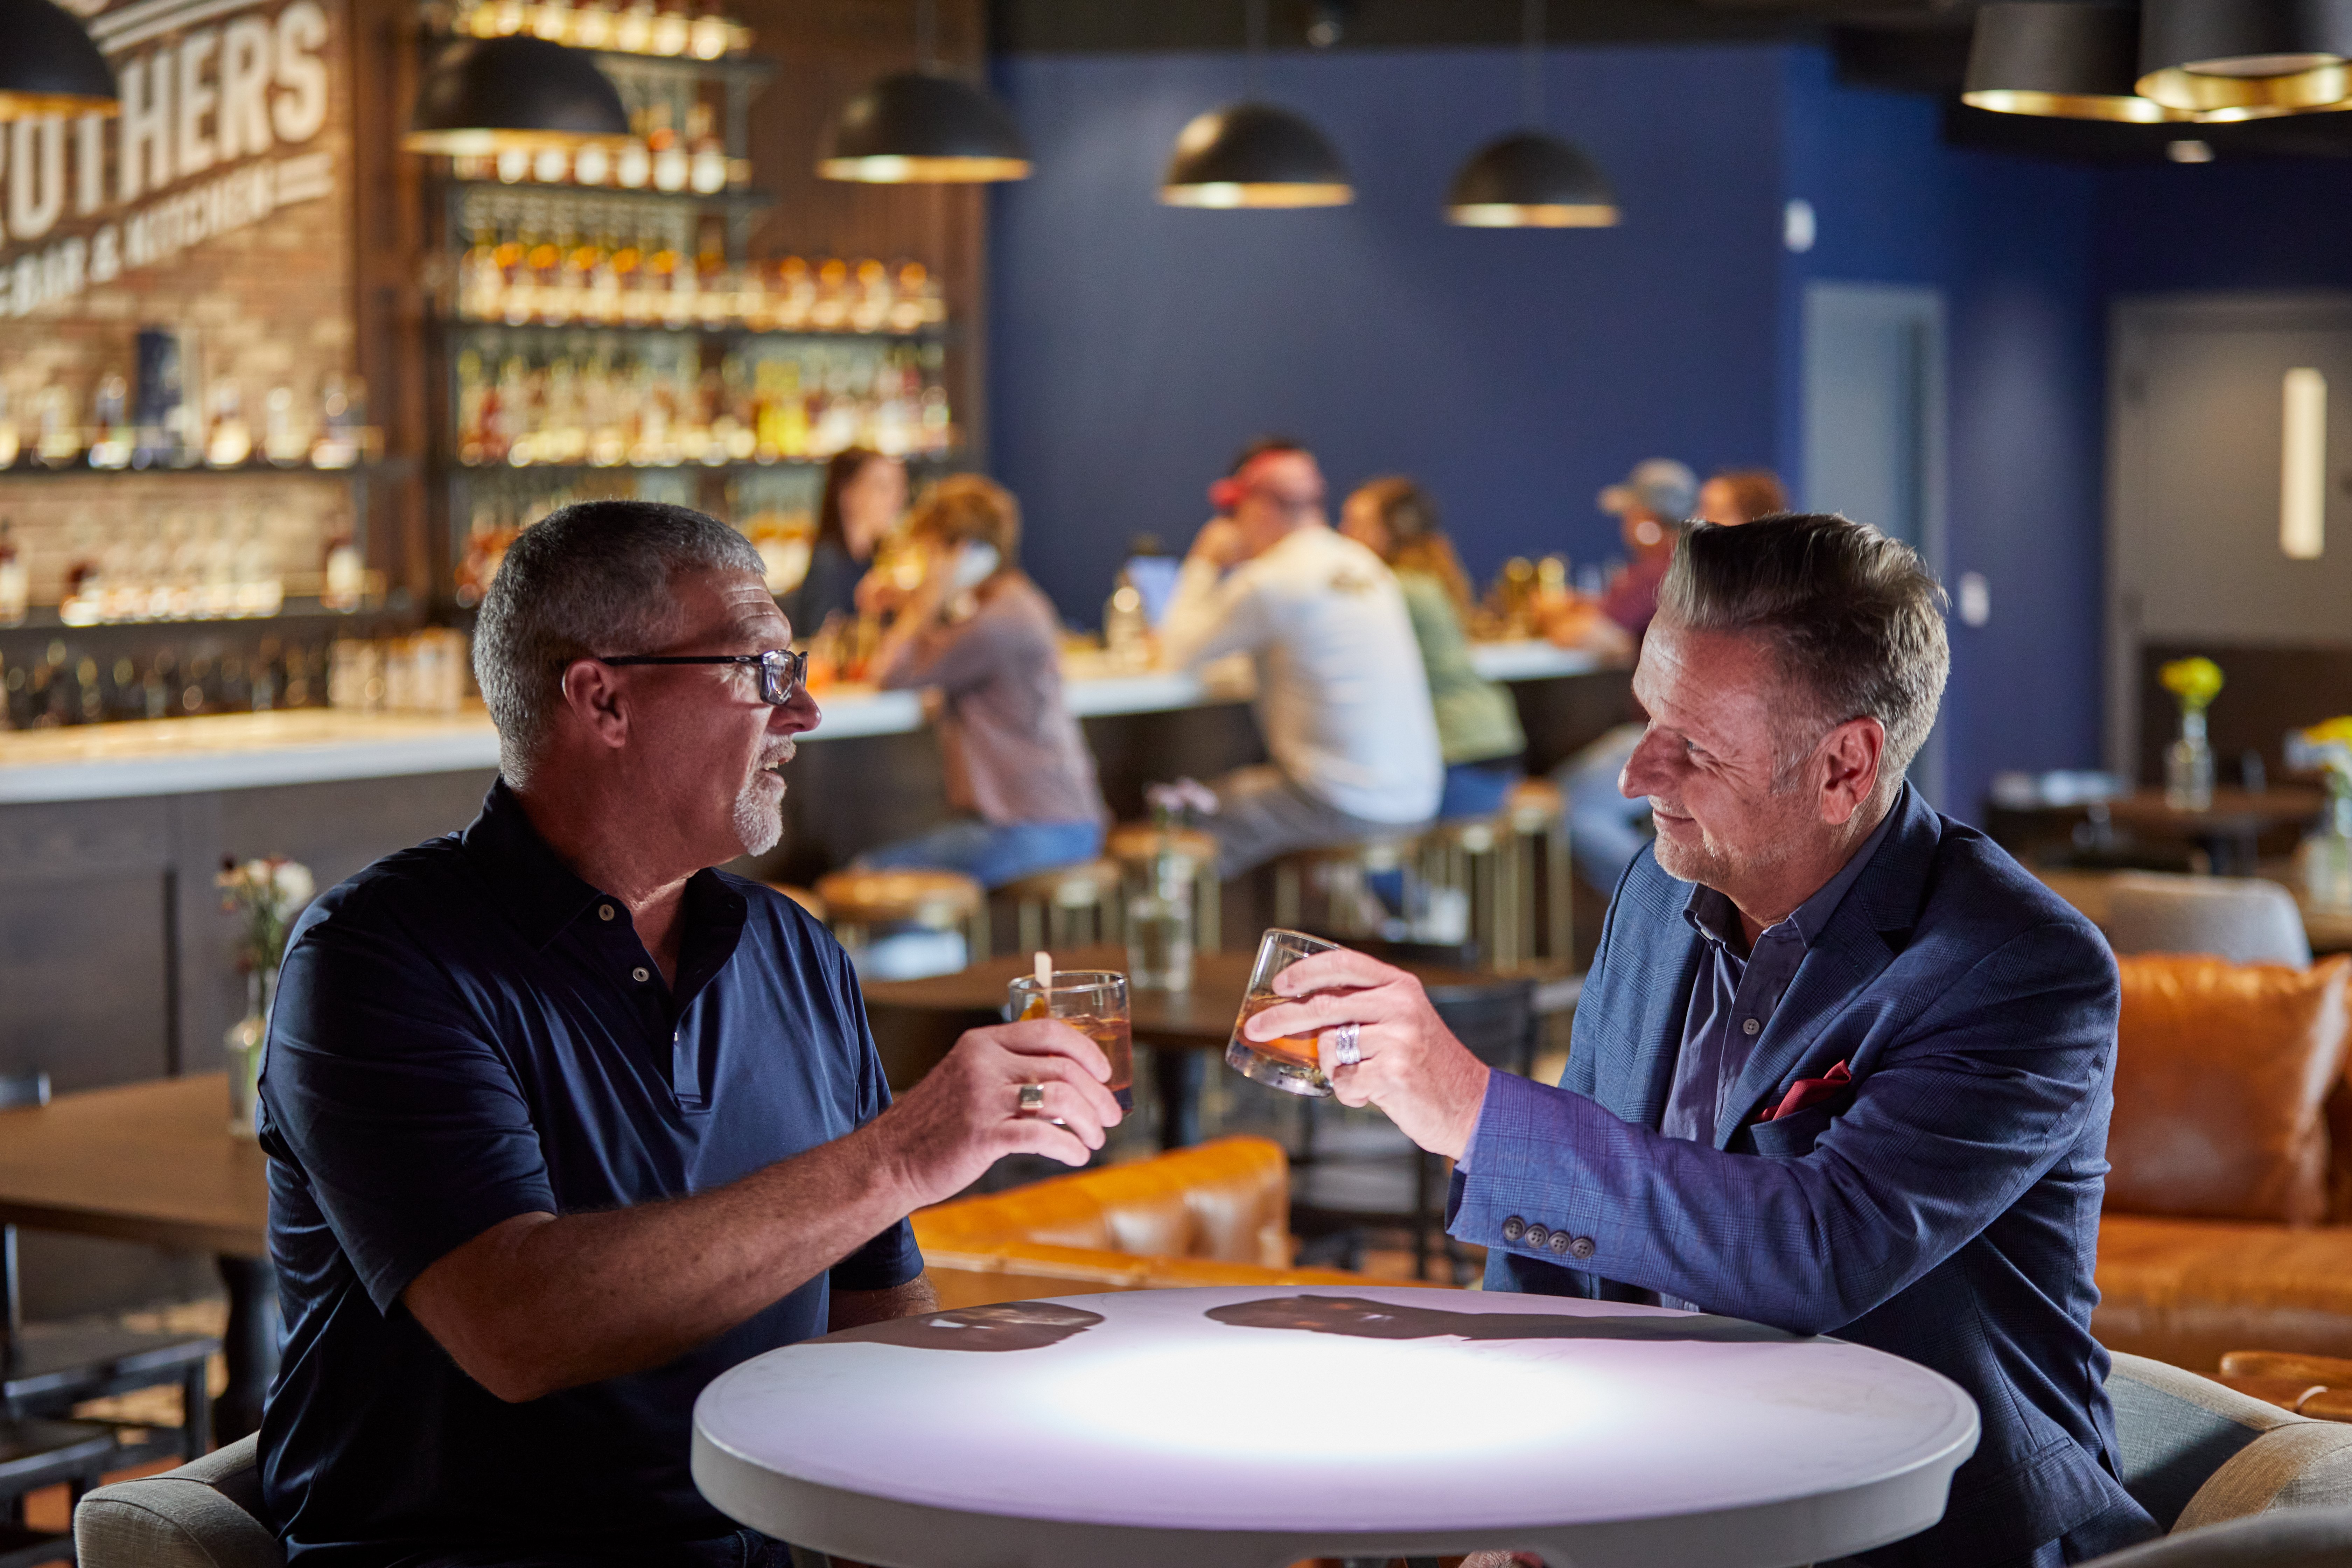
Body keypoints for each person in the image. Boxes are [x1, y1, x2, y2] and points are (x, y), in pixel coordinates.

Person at [1238, 514, 2158, 1568]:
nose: (1633, 775)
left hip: (1912, 1528)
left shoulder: (2016, 963)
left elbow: (1820, 1245)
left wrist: (1465, 1102)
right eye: (1644, 716)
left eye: (1693, 746)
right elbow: (1546, 1250)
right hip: (1656, 1495)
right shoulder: (1656, 887)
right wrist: (1500, 1498)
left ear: (1844, 766)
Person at [257, 499, 1122, 1568]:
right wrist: (902, 1150)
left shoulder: (791, 950)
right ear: (602, 697)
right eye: (761, 670)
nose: (802, 708)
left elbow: (870, 1321)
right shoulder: (381, 953)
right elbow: (517, 1324)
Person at [1159, 438, 1442, 876]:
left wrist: (1204, 561)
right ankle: (1362, 916)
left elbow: (1173, 652)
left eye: (1235, 512)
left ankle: (1196, 943)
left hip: (1341, 801)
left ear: (1258, 508)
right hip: (1419, 796)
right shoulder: (1363, 564)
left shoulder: (1271, 579)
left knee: (1182, 815)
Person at [857, 475, 1109, 888]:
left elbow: (886, 674)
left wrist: (924, 601)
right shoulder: (1016, 604)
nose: (926, 565)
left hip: (1032, 830)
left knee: (869, 878)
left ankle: (941, 950)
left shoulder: (996, 625)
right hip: (1063, 822)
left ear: (961, 551)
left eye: (931, 552)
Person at [1561, 463, 1788, 894]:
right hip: (1709, 739)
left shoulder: (1694, 575)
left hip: (1690, 738)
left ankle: (1665, 904)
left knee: (1574, 808)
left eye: (1711, 509)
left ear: (1749, 524)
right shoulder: (1762, 584)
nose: (1697, 520)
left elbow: (1597, 634)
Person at [1339, 476, 1525, 820]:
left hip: (1456, 755)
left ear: (1388, 531)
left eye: (1355, 523)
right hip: (1491, 744)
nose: (1343, 534)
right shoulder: (1429, 578)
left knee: (1377, 842)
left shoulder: (1390, 590)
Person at [1541, 457, 1697, 662]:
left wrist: (1552, 618)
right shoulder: (1692, 560)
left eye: (1629, 515)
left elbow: (1591, 636)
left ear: (1647, 522)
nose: (1624, 526)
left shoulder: (1656, 571)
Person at [782, 446, 906, 635]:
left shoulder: (878, 561)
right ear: (847, 494)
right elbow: (822, 647)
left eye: (900, 487)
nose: (897, 499)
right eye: (883, 487)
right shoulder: (829, 566)